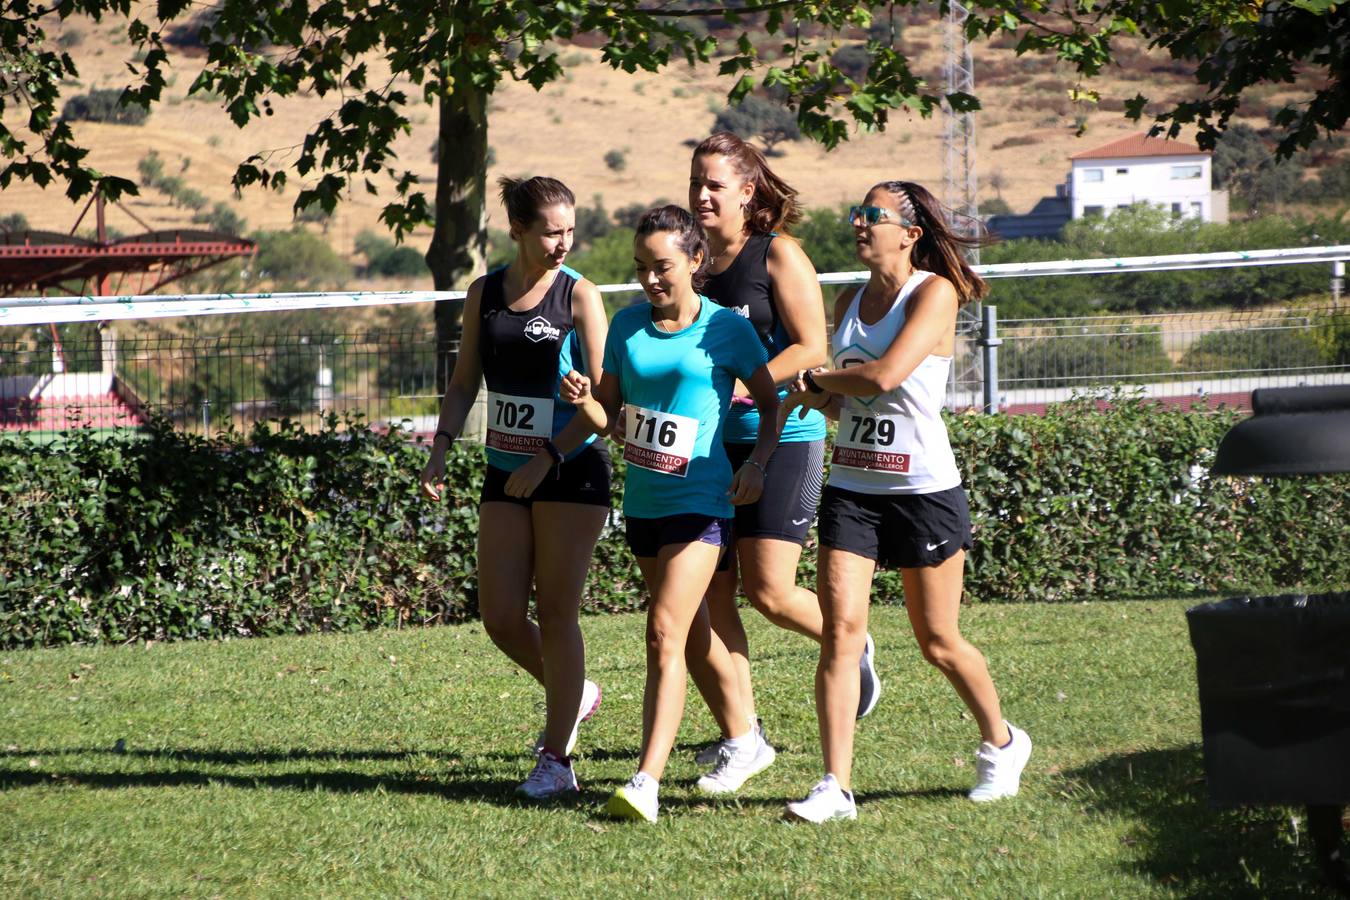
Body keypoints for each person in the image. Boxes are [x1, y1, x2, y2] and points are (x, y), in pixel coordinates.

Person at [779, 180, 1031, 823]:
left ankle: (1003, 744)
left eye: (874, 215)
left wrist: (814, 377)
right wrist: (813, 396)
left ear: (910, 233)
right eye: (857, 213)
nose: (859, 224)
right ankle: (835, 787)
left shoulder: (934, 293)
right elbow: (846, 402)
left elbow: (885, 375)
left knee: (938, 640)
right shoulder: (848, 301)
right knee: (840, 635)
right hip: (852, 489)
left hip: (923, 491)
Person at [571, 205, 780, 823]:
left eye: (661, 266)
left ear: (695, 261)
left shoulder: (726, 330)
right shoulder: (627, 326)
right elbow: (610, 418)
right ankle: (745, 738)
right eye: (640, 266)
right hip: (645, 504)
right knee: (690, 634)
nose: (649, 279)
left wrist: (757, 464)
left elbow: (770, 405)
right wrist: (585, 402)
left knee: (663, 631)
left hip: (702, 500)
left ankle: (646, 780)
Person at [685, 133, 881, 772]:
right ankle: (743, 735)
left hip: (785, 438)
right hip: (708, 447)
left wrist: (747, 384)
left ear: (748, 192)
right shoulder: (693, 262)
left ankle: (850, 643)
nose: (702, 194)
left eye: (715, 184)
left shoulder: (778, 254)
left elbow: (811, 348)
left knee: (769, 592)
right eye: (696, 182)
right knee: (713, 598)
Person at [419, 176, 610, 801]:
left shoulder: (580, 296)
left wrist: (552, 450)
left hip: (571, 467)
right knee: (500, 615)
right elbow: (463, 382)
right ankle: (576, 693)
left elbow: (605, 403)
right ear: (518, 231)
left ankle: (557, 761)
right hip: (505, 468)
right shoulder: (484, 293)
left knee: (556, 613)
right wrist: (441, 447)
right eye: (552, 232)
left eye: (570, 230)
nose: (564, 243)